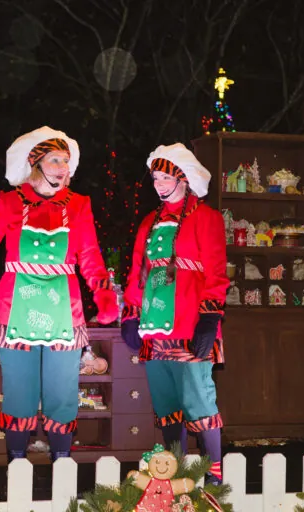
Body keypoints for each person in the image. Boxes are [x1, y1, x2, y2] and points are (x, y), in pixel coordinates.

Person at [0, 126, 119, 463]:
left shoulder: (79, 206)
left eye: (66, 161)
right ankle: (16, 464)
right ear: (35, 163)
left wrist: (103, 294)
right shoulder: (10, 203)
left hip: (64, 312)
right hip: (15, 312)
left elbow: (90, 256)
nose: (63, 168)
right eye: (55, 160)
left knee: (62, 394)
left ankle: (62, 462)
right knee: (19, 393)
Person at [121, 143, 228, 485]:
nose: (159, 183)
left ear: (184, 178)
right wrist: (130, 314)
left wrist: (210, 318)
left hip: (190, 326)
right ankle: (174, 477)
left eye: (166, 176)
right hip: (155, 330)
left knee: (199, 404)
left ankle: (213, 481)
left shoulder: (206, 218)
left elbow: (216, 273)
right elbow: (137, 273)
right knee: (168, 408)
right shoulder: (148, 223)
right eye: (155, 177)